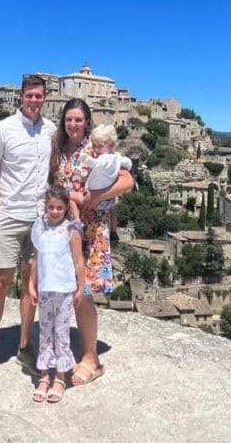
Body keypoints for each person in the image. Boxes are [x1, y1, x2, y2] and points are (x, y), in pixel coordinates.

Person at [0, 74, 56, 394]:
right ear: (21, 96)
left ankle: (24, 346)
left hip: (39, 221)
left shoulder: (51, 132)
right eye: (29, 95)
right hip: (9, 217)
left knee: (31, 286)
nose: (33, 100)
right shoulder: (2, 129)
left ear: (45, 98)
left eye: (38, 96)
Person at [48, 99, 134, 387]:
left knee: (83, 292)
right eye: (69, 119)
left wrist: (96, 198)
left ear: (87, 122)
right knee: (66, 289)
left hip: (90, 228)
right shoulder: (58, 150)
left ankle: (91, 358)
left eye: (79, 120)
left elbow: (127, 181)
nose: (73, 124)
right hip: (62, 229)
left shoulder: (94, 148)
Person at [28, 185, 84, 403]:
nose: (54, 212)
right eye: (51, 207)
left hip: (64, 289)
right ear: (46, 207)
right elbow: (35, 259)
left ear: (65, 208)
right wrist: (32, 286)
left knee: (61, 333)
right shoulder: (39, 229)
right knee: (44, 332)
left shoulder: (71, 230)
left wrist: (80, 287)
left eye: (59, 208)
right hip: (44, 288)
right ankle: (44, 376)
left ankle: (60, 377)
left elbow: (79, 262)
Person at [79, 124, 132, 214]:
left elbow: (128, 180)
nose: (95, 149)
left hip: (99, 199)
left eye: (99, 146)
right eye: (94, 145)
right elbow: (127, 162)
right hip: (104, 201)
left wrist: (84, 158)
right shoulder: (116, 157)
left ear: (111, 145)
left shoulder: (106, 159)